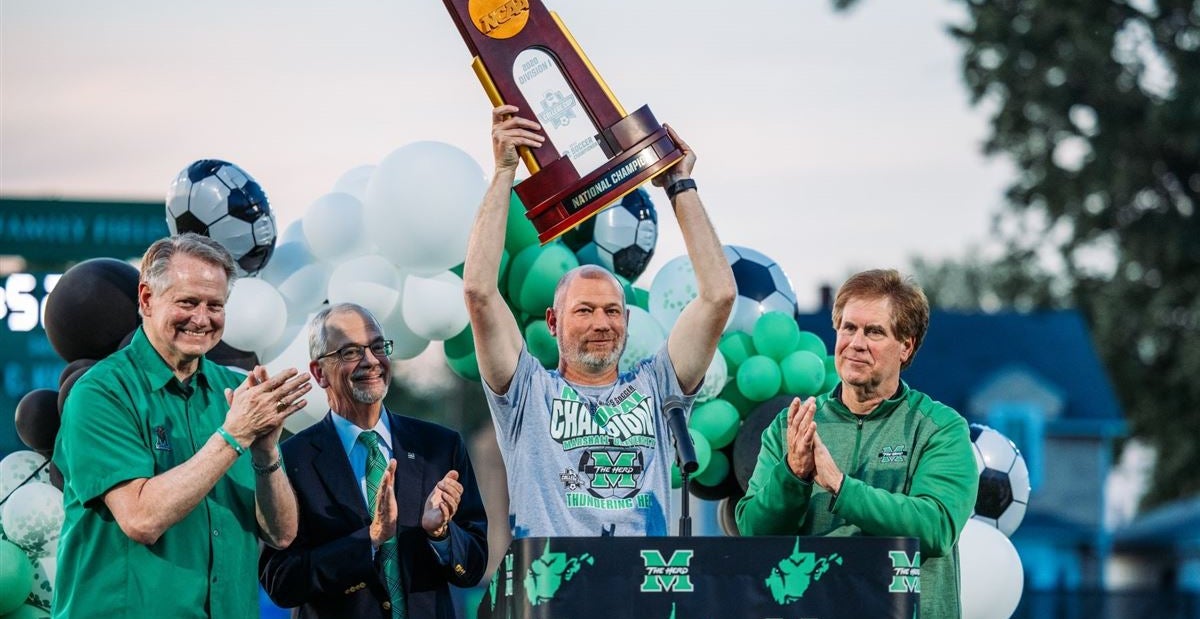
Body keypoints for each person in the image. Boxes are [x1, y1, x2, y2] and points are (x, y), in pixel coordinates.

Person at [462, 105, 736, 537]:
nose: (601, 323)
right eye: (584, 310)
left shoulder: (658, 388)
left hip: (642, 578)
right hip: (553, 577)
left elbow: (718, 296)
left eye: (611, 311)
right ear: (553, 322)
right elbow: (479, 292)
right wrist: (503, 173)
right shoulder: (527, 392)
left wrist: (679, 184)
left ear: (626, 320)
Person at [53, 233, 311, 618]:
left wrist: (266, 451)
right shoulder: (101, 392)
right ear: (146, 299)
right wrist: (234, 436)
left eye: (215, 305)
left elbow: (282, 533)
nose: (202, 319)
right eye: (188, 302)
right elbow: (141, 518)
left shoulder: (236, 392)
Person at [736, 269, 978, 618]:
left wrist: (840, 487)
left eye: (874, 331)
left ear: (906, 346)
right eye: (848, 328)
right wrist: (793, 474)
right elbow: (753, 533)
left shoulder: (939, 427)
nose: (856, 343)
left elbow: (935, 527)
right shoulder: (792, 425)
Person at [259, 303, 487, 619]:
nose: (371, 361)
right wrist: (370, 539)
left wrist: (442, 535)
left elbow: (473, 567)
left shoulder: (439, 446)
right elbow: (281, 582)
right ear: (319, 372)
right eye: (351, 352)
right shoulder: (290, 460)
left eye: (378, 347)